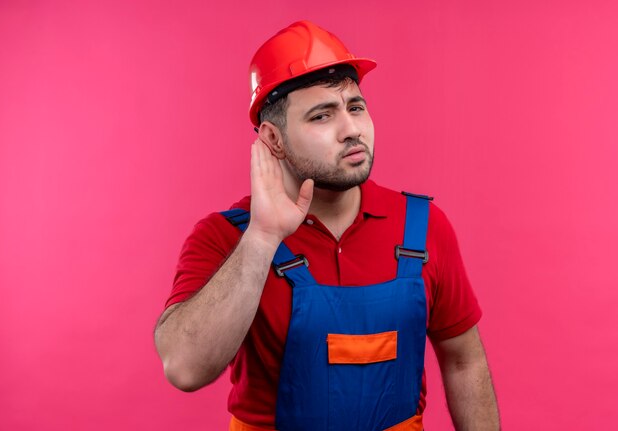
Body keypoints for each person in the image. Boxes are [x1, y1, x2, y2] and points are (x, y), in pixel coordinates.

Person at [154, 20, 500, 431]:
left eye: (356, 107)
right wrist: (263, 236)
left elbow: (464, 361)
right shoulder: (225, 237)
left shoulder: (423, 228)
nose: (351, 129)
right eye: (322, 116)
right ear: (273, 139)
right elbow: (184, 369)